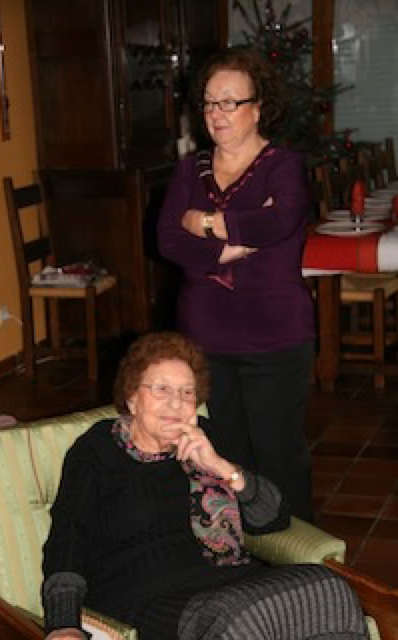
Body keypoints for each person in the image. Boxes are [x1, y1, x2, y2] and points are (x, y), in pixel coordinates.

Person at [42, 331, 368, 640]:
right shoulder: (98, 449)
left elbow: (274, 519)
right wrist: (63, 624)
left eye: (187, 393)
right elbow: (67, 539)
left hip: (231, 583)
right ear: (131, 397)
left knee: (330, 588)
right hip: (147, 597)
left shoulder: (206, 439)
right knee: (240, 618)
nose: (176, 403)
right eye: (161, 389)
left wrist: (221, 467)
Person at [157, 47, 316, 521]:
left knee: (279, 458)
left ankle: (295, 554)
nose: (216, 114)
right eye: (209, 103)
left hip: (275, 337)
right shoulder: (190, 170)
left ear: (258, 108)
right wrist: (221, 249)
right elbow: (167, 239)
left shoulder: (283, 166)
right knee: (220, 456)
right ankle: (234, 551)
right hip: (205, 338)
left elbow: (279, 222)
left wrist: (202, 222)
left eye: (230, 102)